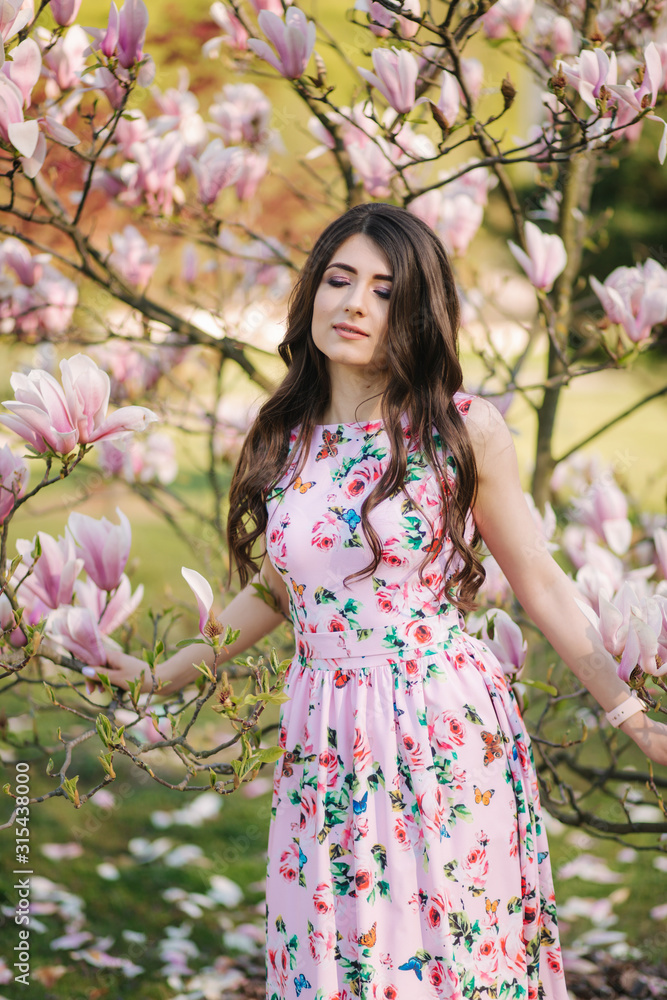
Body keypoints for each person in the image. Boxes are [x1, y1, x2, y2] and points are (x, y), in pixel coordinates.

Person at [104, 203, 667, 1000]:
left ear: (416, 313)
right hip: (325, 732)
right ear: (312, 291)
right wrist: (159, 675)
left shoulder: (460, 430)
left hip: (437, 722)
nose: (354, 304)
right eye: (339, 280)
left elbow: (540, 582)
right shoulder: (285, 434)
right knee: (341, 956)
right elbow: (282, 588)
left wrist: (632, 718)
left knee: (453, 955)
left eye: (383, 290)